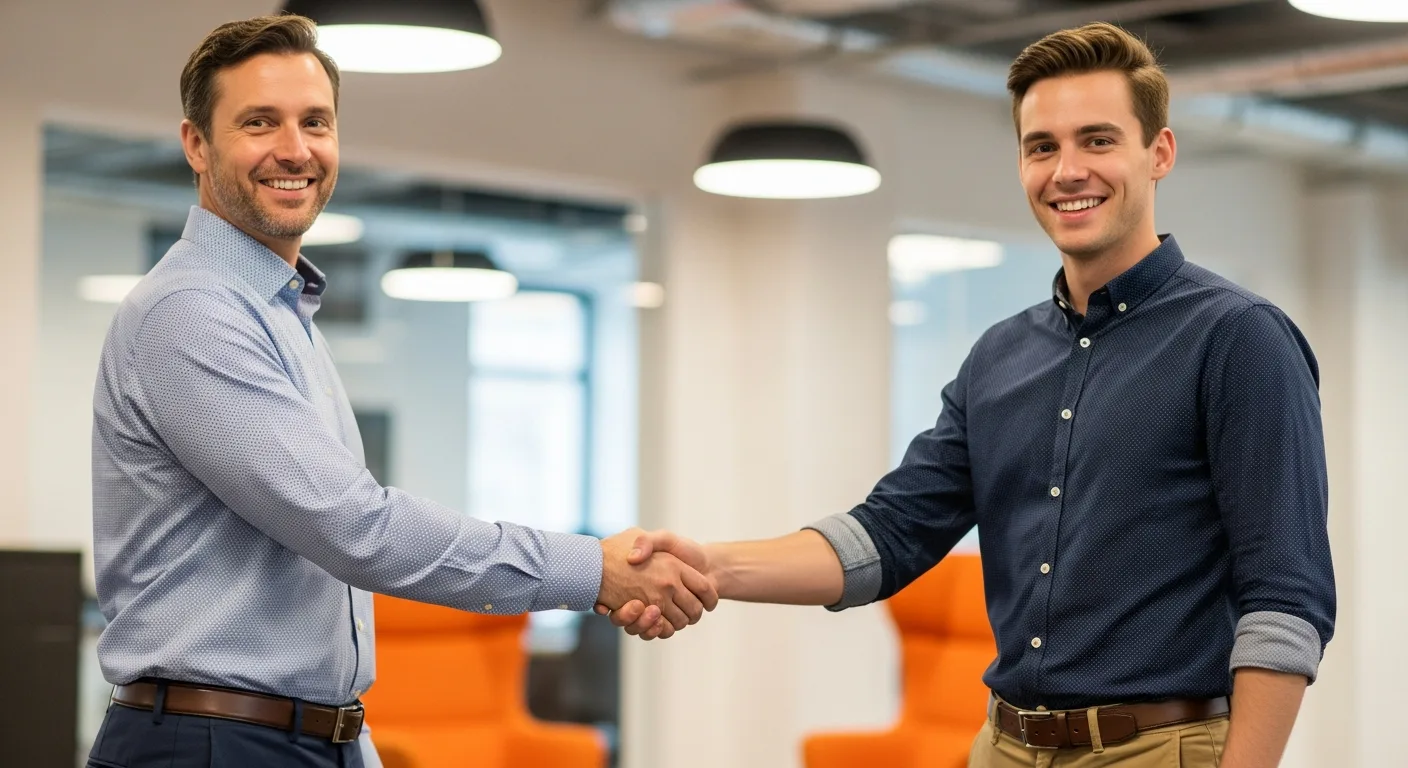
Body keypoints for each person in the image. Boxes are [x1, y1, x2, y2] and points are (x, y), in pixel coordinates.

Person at [604, 22, 1335, 768]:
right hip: (1003, 746)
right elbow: (888, 536)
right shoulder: (1000, 356)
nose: (1067, 170)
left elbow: (1284, 600)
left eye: (1097, 140)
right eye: (1041, 147)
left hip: (1155, 749)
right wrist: (708, 566)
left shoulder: (1238, 338)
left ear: (1160, 153)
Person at [86, 15, 714, 768]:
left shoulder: (279, 313)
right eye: (259, 122)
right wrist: (594, 570)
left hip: (294, 737)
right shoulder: (193, 313)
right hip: (213, 743)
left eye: (315, 122)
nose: (295, 149)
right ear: (197, 144)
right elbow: (354, 529)